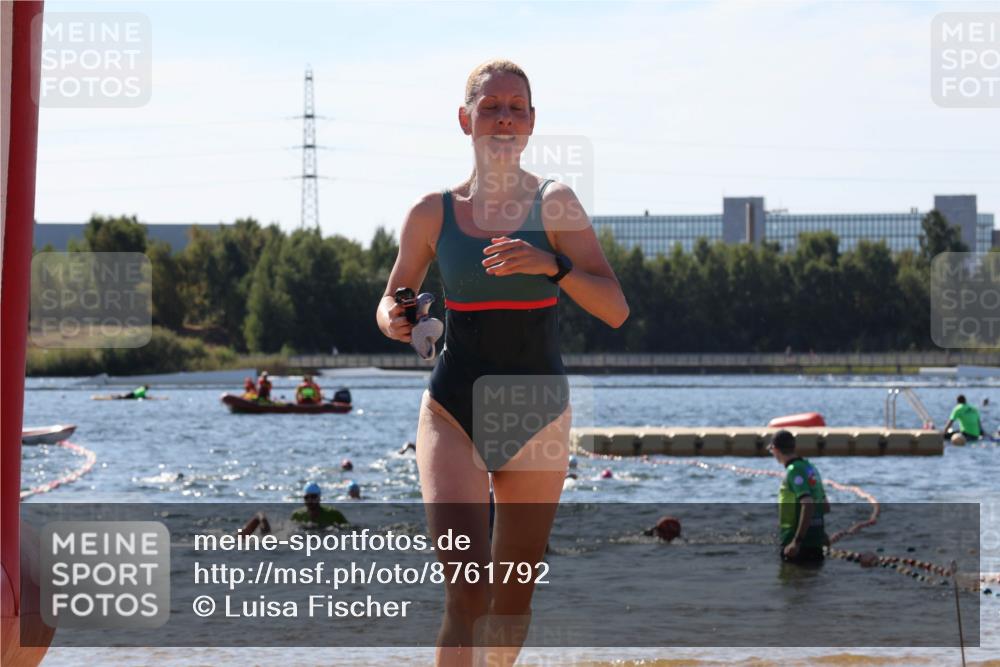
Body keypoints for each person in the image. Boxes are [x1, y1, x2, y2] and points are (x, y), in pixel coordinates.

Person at [375, 59, 628, 665]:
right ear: (466, 121)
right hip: (452, 410)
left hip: (536, 415)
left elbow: (615, 309)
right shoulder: (432, 212)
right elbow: (389, 300)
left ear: (532, 121)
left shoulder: (556, 203)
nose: (504, 119)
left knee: (511, 603)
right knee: (467, 594)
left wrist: (553, 266)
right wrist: (396, 319)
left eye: (516, 108)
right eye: (491, 108)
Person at [768, 429, 831, 564]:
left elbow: (808, 504)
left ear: (776, 449)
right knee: (811, 576)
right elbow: (825, 506)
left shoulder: (793, 470)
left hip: (797, 545)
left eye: (771, 450)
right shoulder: (810, 468)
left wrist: (796, 541)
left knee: (791, 576)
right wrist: (821, 533)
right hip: (816, 540)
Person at [241, 482, 348, 536]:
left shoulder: (333, 514)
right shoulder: (298, 514)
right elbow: (289, 531)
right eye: (307, 497)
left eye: (313, 497)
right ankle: (260, 518)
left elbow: (349, 529)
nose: (310, 500)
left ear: (319, 498)